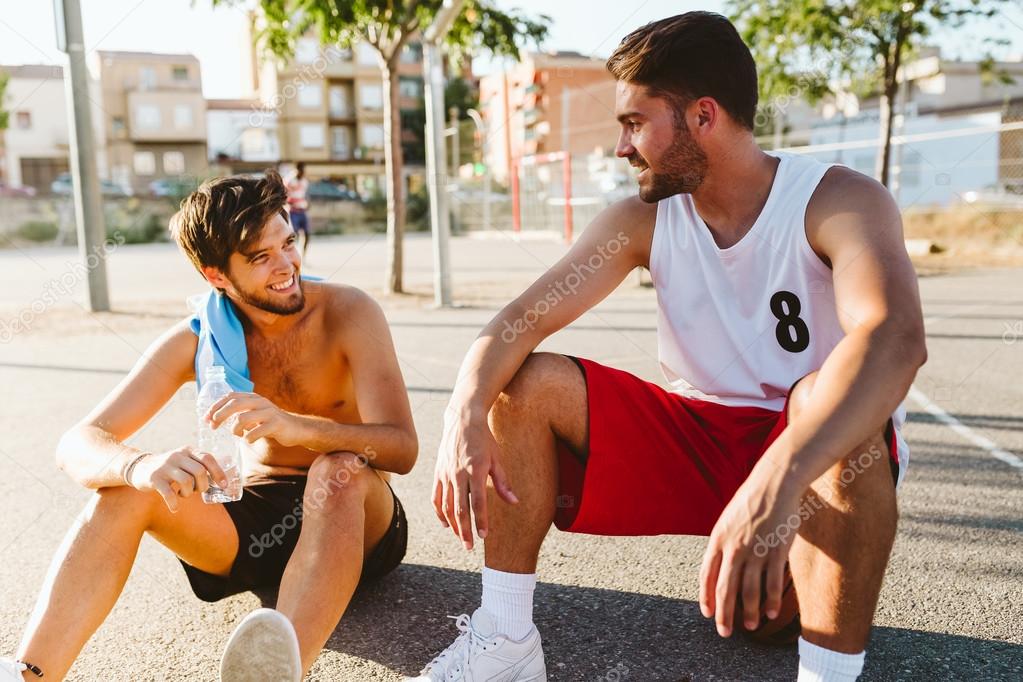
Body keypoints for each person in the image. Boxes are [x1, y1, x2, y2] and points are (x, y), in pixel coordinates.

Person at [412, 11, 926, 682]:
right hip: (698, 443)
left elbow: (894, 337)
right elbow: (517, 322)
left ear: (702, 117)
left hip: (814, 459)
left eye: (634, 124)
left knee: (829, 411)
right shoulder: (642, 218)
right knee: (526, 381)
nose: (621, 148)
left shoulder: (836, 200)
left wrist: (779, 476)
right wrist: (462, 414)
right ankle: (505, 639)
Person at [1, 171, 417, 682]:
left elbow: (401, 449)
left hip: (359, 522)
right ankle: (29, 674)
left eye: (288, 243)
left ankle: (277, 673)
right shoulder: (199, 337)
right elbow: (77, 443)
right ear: (216, 275)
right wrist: (141, 466)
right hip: (255, 524)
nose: (286, 265)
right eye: (260, 258)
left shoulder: (349, 312)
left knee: (337, 471)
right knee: (122, 492)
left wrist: (299, 429)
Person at [286, 162, 311, 257]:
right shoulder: (290, 180)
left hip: (302, 211)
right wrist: (290, 203)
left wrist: (308, 203)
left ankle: (303, 257)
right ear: (297, 169)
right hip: (293, 212)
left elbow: (305, 194)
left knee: (307, 234)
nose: (303, 172)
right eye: (302, 170)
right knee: (293, 235)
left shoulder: (304, 181)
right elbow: (284, 194)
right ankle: (292, 256)